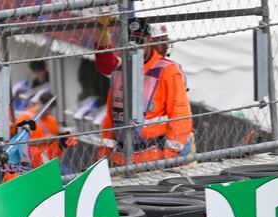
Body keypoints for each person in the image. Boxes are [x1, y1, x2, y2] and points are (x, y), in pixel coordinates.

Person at [94, 18, 194, 166]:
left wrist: (169, 158)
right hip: (122, 159)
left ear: (149, 40)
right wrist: (103, 156)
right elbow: (111, 119)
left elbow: (180, 116)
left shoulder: (168, 71)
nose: (135, 46)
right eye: (131, 40)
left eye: (139, 41)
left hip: (156, 158)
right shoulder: (120, 72)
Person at [13, 92, 76, 169]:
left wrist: (62, 139)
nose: (48, 112)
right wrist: (44, 140)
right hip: (29, 165)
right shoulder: (24, 118)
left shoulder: (52, 120)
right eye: (47, 108)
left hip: (48, 162)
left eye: (51, 109)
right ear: (39, 103)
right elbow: (19, 143)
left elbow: (55, 146)